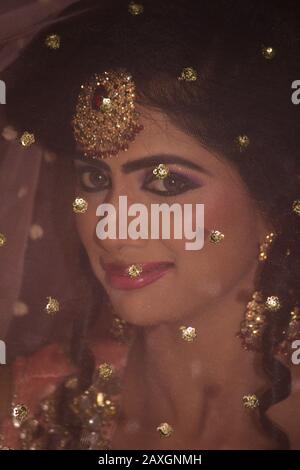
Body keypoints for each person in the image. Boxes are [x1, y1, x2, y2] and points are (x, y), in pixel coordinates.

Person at [0, 0, 300, 450]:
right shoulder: (33, 403)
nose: (112, 229)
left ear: (273, 201)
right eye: (95, 179)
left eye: (167, 183)